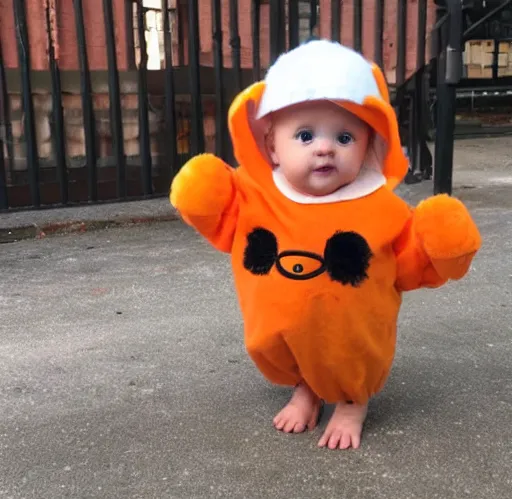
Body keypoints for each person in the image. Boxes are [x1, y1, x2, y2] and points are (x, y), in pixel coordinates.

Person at [170, 40, 481, 450]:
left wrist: (439, 243)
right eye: (304, 134)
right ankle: (306, 386)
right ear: (271, 147)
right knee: (286, 340)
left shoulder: (381, 210)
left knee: (346, 345)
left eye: (345, 136)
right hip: (278, 326)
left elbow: (410, 263)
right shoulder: (254, 195)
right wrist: (203, 194)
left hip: (351, 336)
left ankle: (352, 399)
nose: (324, 147)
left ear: (370, 144)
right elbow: (220, 216)